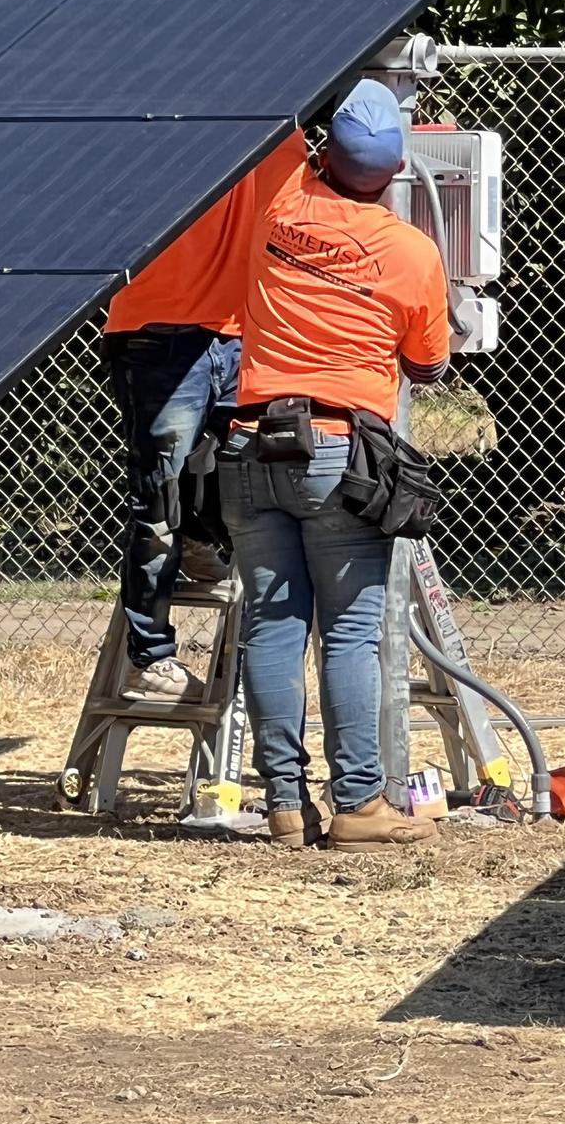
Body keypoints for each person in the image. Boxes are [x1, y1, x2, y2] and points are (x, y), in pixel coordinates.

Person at [221, 79, 451, 851]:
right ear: (394, 172)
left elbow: (280, 119)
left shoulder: (274, 204)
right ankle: (359, 804)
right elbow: (427, 364)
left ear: (324, 152)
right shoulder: (412, 252)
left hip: (250, 442)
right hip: (339, 452)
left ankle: (284, 806)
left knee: (272, 625)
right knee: (350, 634)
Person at [102, 131, 307, 702]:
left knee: (246, 467)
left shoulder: (283, 129)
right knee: (159, 494)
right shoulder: (164, 121)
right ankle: (150, 655)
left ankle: (200, 542)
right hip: (159, 329)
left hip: (238, 330)